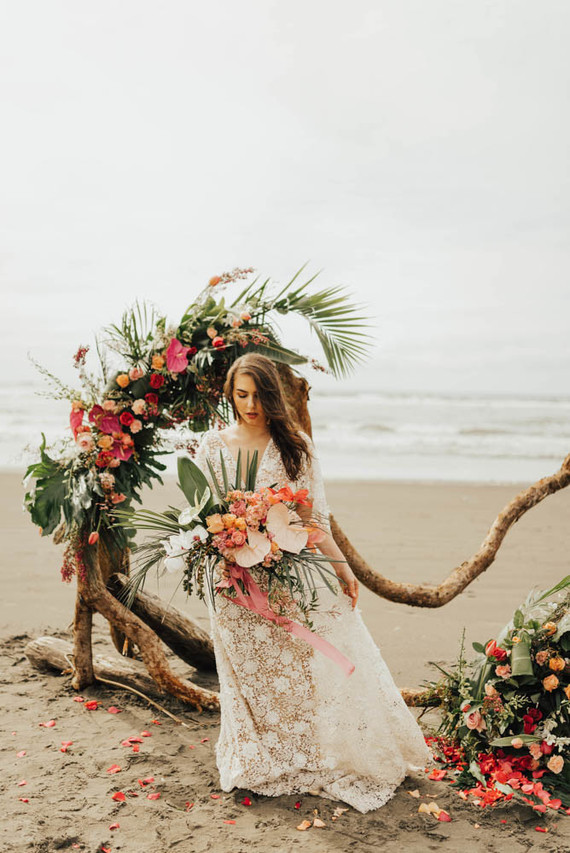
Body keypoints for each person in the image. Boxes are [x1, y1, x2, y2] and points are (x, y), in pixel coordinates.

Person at [192, 353, 431, 813]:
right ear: (230, 395)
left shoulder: (293, 445)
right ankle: (256, 759)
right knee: (247, 676)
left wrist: (343, 568)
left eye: (260, 395)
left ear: (274, 397)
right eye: (242, 395)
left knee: (297, 671)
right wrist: (219, 543)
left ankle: (306, 755)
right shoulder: (211, 446)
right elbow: (207, 515)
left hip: (284, 576)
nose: (251, 405)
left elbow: (311, 519)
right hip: (230, 584)